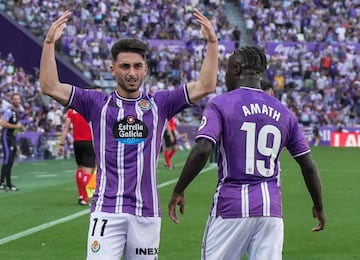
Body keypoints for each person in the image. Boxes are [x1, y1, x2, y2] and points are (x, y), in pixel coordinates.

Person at [39, 8, 218, 260]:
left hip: (146, 213)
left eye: (137, 66)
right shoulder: (95, 103)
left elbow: (206, 85)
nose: (131, 72)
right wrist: (48, 44)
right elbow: (49, 86)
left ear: (145, 69)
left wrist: (212, 42)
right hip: (106, 210)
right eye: (125, 66)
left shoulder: (161, 103)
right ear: (113, 69)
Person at [168, 46, 326, 260]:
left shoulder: (221, 104)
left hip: (231, 206)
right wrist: (318, 206)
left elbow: (203, 148)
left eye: (226, 69)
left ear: (236, 69)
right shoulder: (284, 112)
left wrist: (179, 190)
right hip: (270, 210)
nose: (224, 74)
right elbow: (308, 166)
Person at [58, 87, 99, 206]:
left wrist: (61, 143)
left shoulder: (72, 110)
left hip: (77, 143)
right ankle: (85, 198)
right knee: (88, 170)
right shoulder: (93, 109)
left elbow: (66, 127)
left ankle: (81, 195)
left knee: (80, 168)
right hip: (89, 141)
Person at [0, 93, 23, 191]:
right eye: (15, 99)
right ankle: (1, 183)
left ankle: (8, 184)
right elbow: (3, 123)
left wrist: (18, 128)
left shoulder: (16, 112)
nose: (17, 101)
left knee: (11, 161)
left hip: (12, 138)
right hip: (6, 138)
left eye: (18, 99)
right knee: (7, 159)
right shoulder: (9, 111)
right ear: (12, 100)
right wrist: (16, 126)